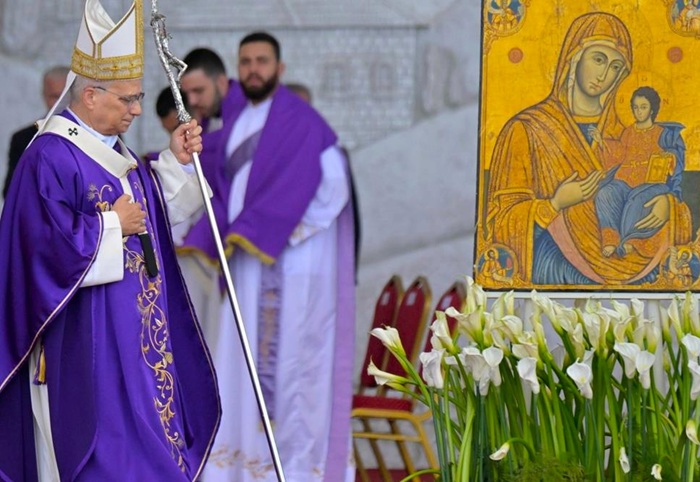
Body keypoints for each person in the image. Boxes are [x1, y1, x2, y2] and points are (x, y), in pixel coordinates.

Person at [0, 0, 220, 480]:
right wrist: (110, 225)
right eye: (127, 99)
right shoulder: (49, 156)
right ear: (90, 95)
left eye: (138, 97)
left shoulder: (115, 152)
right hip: (87, 342)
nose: (138, 109)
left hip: (138, 338)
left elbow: (149, 218)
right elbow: (39, 248)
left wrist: (176, 163)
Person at [184, 32, 355, 482]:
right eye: (246, 61)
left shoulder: (301, 120)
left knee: (289, 365)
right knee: (239, 361)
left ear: (280, 69)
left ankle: (291, 470)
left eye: (262, 61)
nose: (253, 69)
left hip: (288, 266)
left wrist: (283, 232)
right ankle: (238, 468)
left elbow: (334, 185)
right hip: (248, 259)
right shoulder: (240, 118)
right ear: (236, 71)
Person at [482, 12, 692, 288]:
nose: (604, 75)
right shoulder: (527, 129)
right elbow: (502, 225)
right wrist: (554, 204)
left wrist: (667, 206)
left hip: (637, 273)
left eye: (616, 67)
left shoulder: (625, 134)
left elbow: (660, 187)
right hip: (555, 271)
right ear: (574, 56)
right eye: (599, 59)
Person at [593, 86, 686, 258]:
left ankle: (632, 240)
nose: (639, 111)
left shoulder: (663, 133)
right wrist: (601, 142)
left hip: (651, 182)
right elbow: (619, 153)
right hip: (625, 179)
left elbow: (676, 153)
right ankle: (611, 239)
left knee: (637, 201)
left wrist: (669, 157)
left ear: (652, 109)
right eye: (635, 107)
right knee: (605, 194)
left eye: (643, 107)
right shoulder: (629, 131)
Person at [3, 65, 69, 198]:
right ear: (44, 96)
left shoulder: (99, 135)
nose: (60, 103)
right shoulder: (23, 139)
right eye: (55, 97)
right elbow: (11, 191)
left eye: (65, 96)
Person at [180, 47, 235, 133]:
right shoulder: (207, 115)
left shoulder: (247, 110)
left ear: (222, 83)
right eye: (186, 94)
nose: (192, 101)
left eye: (198, 91)